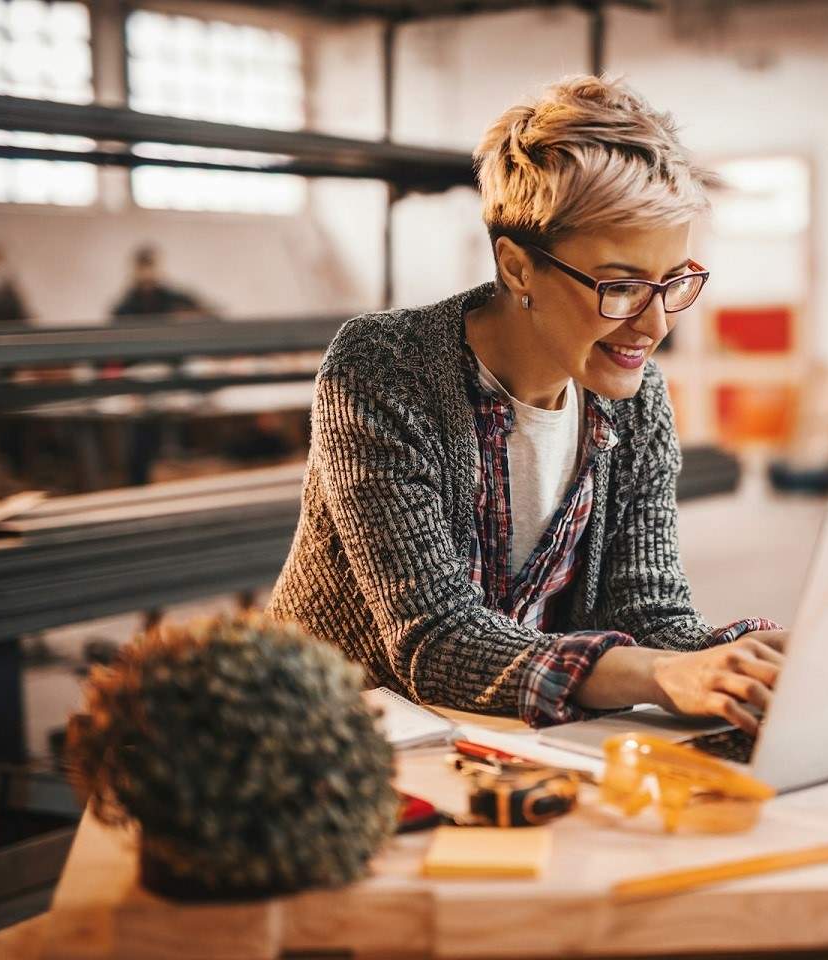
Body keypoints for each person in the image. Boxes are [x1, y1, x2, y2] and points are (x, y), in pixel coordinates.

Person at [267, 75, 786, 733]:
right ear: (516, 268)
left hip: (489, 740)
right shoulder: (383, 369)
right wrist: (657, 674)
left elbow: (646, 611)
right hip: (324, 741)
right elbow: (436, 637)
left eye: (673, 282)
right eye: (621, 286)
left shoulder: (635, 399)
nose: (654, 326)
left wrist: (743, 660)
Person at [110, 245, 207, 321]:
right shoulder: (124, 308)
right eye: (142, 266)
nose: (147, 272)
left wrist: (191, 316)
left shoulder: (177, 300)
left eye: (150, 265)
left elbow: (207, 314)